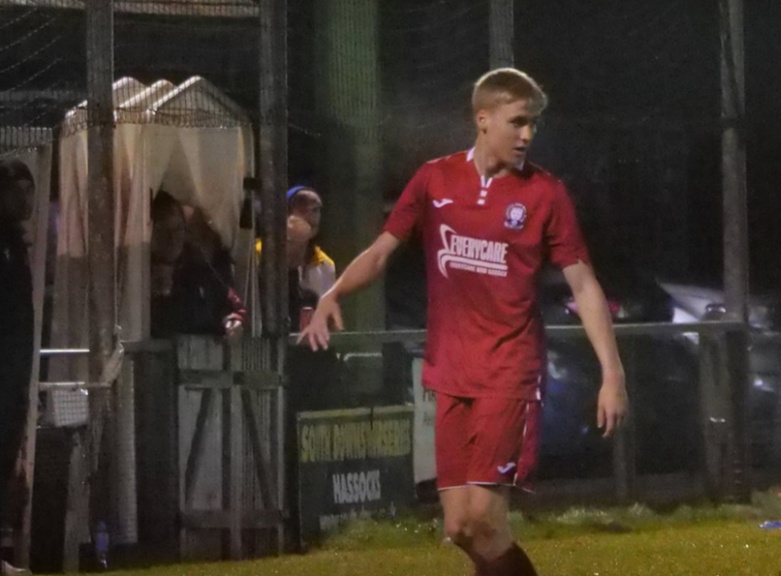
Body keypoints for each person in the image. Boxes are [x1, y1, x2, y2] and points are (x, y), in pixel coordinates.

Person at [300, 68, 629, 576]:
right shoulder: (435, 179)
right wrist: (333, 293)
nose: (527, 135)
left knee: (486, 520)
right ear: (483, 119)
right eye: (518, 122)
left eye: (533, 124)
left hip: (508, 372)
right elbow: (383, 251)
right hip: (450, 372)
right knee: (459, 527)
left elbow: (584, 285)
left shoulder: (545, 194)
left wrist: (612, 373)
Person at [0, 158, 35, 576]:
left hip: (13, 370)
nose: (24, 198)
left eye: (28, 189)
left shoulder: (16, 242)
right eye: (16, 190)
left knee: (6, 457)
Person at [150, 191, 246, 338]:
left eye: (177, 229)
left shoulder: (199, 266)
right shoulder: (137, 272)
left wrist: (232, 320)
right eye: (162, 230)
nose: (172, 238)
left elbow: (232, 305)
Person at [256, 186, 336, 331]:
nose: (311, 210)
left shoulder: (326, 265)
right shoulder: (259, 252)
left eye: (317, 207)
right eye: (301, 203)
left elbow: (328, 316)